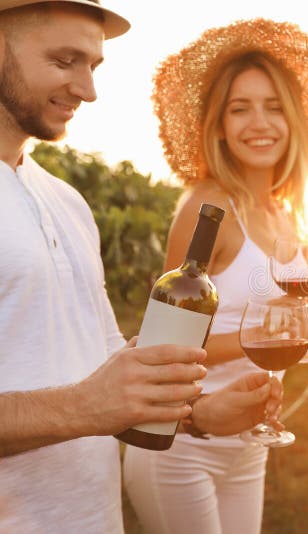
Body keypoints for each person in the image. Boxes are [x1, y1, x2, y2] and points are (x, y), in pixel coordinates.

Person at [0, 2, 284, 533]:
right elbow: (91, 400)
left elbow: (102, 353)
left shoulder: (66, 202)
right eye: (65, 61)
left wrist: (197, 414)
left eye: (94, 66)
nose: (88, 90)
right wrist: (81, 408)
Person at [123, 19, 308, 534]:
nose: (258, 122)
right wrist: (264, 340)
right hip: (182, 441)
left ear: (294, 122)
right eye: (240, 108)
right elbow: (161, 343)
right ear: (218, 125)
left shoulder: (288, 217)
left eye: (274, 106)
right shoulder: (210, 207)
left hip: (250, 442)